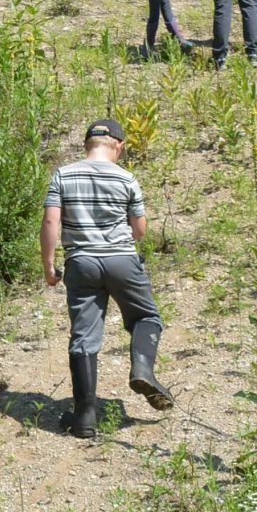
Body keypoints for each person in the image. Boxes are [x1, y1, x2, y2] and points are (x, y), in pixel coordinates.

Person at [41, 118, 172, 437]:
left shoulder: (63, 174)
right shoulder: (126, 178)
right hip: (122, 260)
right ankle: (142, 367)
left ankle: (84, 418)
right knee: (146, 316)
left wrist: (48, 265)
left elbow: (50, 223)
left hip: (80, 263)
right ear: (119, 145)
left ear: (88, 144)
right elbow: (139, 231)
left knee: (84, 337)